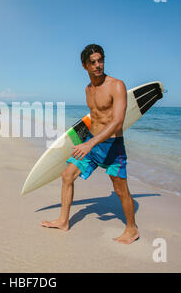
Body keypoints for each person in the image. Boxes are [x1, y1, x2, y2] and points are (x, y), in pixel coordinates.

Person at [40, 44, 139, 244]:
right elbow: (94, 118)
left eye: (100, 60)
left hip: (112, 146)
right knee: (67, 175)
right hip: (90, 144)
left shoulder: (116, 85)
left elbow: (117, 121)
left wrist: (90, 144)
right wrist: (82, 141)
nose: (98, 65)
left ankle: (132, 229)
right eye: (92, 62)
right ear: (84, 66)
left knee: (121, 190)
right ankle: (63, 220)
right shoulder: (88, 89)